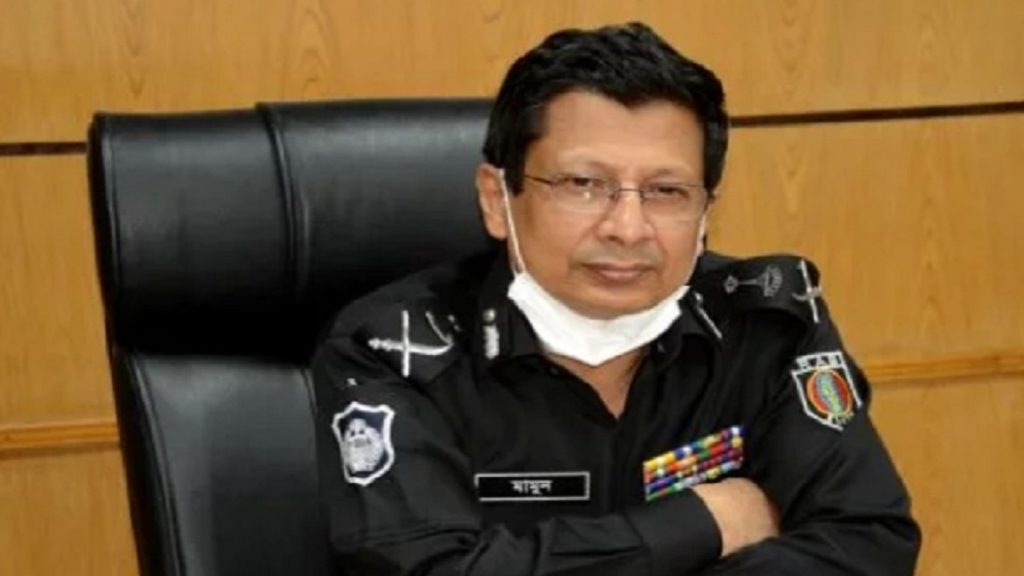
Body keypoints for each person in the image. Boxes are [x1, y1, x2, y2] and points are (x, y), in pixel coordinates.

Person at [312, 22, 921, 575]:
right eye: (584, 184)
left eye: (666, 191)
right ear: (498, 200)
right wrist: (705, 522)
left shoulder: (766, 326)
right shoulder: (393, 351)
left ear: (707, 210)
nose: (628, 229)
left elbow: (870, 542)